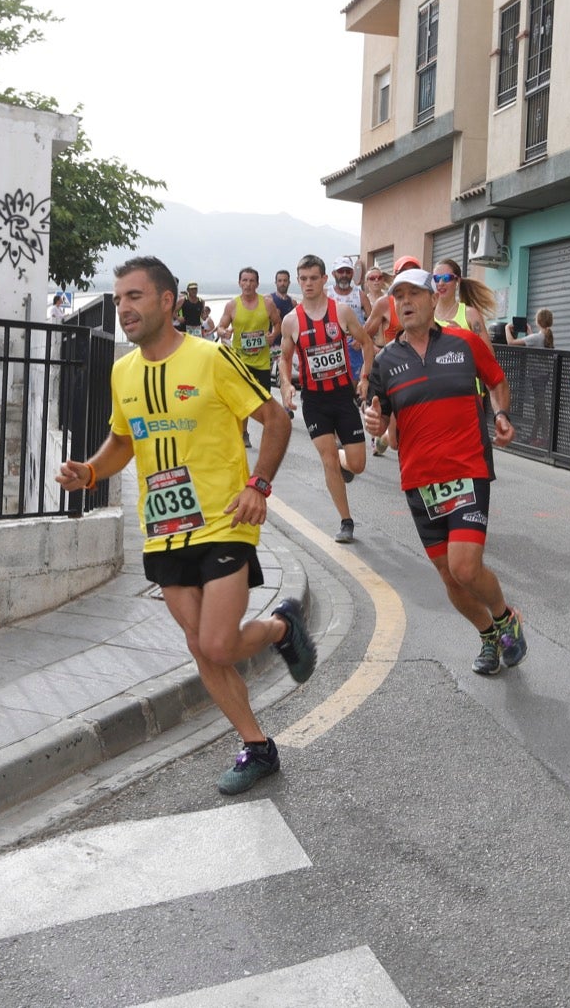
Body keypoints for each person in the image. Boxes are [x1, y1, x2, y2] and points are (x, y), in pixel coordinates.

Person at [54, 255, 315, 796]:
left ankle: (282, 628)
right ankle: (258, 746)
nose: (124, 307)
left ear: (167, 301)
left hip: (224, 520)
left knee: (217, 645)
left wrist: (258, 485)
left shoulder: (211, 359)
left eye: (135, 296)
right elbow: (124, 439)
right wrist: (91, 470)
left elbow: (276, 419)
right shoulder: (123, 370)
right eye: (120, 297)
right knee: (202, 648)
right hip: (164, 528)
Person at [362, 268, 527, 676]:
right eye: (398, 295)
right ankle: (488, 635)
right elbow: (379, 415)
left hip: (468, 469)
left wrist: (502, 414)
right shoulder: (386, 362)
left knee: (465, 566)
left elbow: (497, 381)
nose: (405, 302)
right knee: (449, 579)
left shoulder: (466, 343)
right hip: (420, 481)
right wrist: (374, 422)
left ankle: (506, 618)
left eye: (414, 294)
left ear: (433, 299)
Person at [279, 253, 376, 544]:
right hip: (315, 402)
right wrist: (285, 385)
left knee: (357, 464)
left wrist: (364, 378)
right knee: (327, 458)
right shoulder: (291, 321)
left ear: (324, 280)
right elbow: (284, 360)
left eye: (313, 278)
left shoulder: (342, 312)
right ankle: (346, 521)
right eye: (303, 279)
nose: (308, 284)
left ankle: (346, 462)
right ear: (299, 281)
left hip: (343, 397)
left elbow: (368, 344)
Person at [216, 266, 282, 447]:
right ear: (239, 283)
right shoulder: (232, 305)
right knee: (242, 401)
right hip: (240, 361)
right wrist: (225, 332)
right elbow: (220, 326)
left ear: (257, 284)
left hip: (261, 362)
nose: (248, 284)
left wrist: (274, 335)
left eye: (252, 280)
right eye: (244, 280)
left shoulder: (267, 303)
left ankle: (269, 436)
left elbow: (278, 323)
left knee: (264, 401)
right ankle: (243, 433)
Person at [359, 267, 394, 457]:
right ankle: (376, 435)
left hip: (392, 352)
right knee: (370, 395)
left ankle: (387, 435)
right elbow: (364, 335)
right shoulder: (363, 299)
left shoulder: (389, 298)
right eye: (372, 277)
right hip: (373, 350)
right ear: (366, 281)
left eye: (379, 277)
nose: (376, 280)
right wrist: (373, 349)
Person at [506, 309, 555, 446]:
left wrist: (506, 328)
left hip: (537, 378)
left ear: (538, 321)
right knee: (538, 407)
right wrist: (530, 332)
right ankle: (534, 437)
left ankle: (545, 439)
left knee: (541, 408)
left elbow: (511, 342)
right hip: (543, 376)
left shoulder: (536, 338)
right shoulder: (545, 336)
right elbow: (536, 342)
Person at [330, 255, 370, 383]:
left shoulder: (360, 295)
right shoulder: (326, 294)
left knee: (354, 388)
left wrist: (363, 337)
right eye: (341, 271)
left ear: (352, 273)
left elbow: (374, 320)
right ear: (334, 273)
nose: (344, 275)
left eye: (348, 271)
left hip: (355, 349)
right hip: (333, 348)